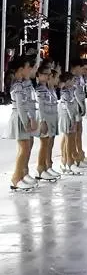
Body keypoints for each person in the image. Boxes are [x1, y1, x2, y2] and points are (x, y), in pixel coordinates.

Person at [8, 55, 38, 191]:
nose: (30, 69)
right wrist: (27, 121)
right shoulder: (17, 85)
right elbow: (20, 105)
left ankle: (21, 175)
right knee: (24, 148)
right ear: (21, 69)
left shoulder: (23, 83)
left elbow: (27, 103)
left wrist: (31, 117)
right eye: (28, 67)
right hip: (20, 117)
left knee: (25, 147)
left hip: (24, 116)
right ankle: (16, 177)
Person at [34, 61, 61, 181]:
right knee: (44, 144)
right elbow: (40, 107)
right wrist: (42, 120)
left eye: (49, 74)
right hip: (44, 118)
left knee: (49, 143)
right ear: (38, 75)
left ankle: (47, 166)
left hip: (51, 117)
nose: (48, 76)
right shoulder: (39, 89)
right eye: (45, 74)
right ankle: (41, 168)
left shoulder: (48, 89)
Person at [57, 71, 83, 175]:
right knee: (68, 139)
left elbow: (74, 104)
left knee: (71, 139)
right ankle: (68, 162)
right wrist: (72, 118)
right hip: (67, 116)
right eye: (72, 80)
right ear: (67, 81)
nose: (74, 82)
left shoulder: (71, 90)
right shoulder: (65, 91)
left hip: (72, 116)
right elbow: (68, 106)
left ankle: (68, 161)